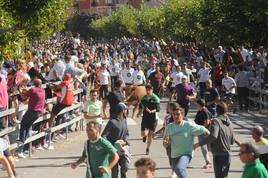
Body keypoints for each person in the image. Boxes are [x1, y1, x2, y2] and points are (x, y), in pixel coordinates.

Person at [163, 103, 210, 178]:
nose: (175, 116)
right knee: (179, 171)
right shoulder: (169, 127)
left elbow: (202, 128)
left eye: (178, 114)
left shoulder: (188, 125)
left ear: (182, 115)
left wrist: (209, 134)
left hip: (186, 154)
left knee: (179, 169)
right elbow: (165, 144)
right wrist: (166, 143)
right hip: (174, 155)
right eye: (174, 114)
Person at [193, 101, 235, 178]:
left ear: (216, 111)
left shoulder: (216, 121)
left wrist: (199, 144)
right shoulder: (230, 123)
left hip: (218, 154)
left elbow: (213, 136)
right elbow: (232, 141)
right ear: (226, 110)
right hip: (228, 154)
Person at [17, 79, 45, 158]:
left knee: (23, 124)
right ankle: (24, 144)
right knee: (28, 126)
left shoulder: (33, 89)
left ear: (33, 84)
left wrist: (20, 90)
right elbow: (31, 93)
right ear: (40, 84)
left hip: (32, 110)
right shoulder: (42, 90)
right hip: (39, 112)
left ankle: (22, 140)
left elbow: (24, 97)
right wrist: (26, 90)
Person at [102, 103, 130, 178]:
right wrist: (110, 146)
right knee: (114, 172)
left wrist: (125, 141)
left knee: (125, 166)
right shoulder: (112, 122)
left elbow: (127, 133)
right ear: (121, 111)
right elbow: (103, 135)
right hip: (113, 150)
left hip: (123, 149)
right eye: (125, 109)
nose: (126, 111)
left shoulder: (124, 120)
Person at [140, 84, 160, 155]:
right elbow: (141, 105)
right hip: (145, 117)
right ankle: (144, 136)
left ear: (152, 90)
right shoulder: (144, 98)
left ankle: (147, 148)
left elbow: (158, 109)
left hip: (153, 118)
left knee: (150, 135)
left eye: (149, 90)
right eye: (147, 90)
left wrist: (151, 111)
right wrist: (139, 112)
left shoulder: (155, 98)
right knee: (143, 134)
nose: (148, 91)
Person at [194, 99, 212, 169]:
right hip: (201, 131)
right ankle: (208, 161)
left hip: (204, 132)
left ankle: (208, 162)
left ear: (200, 105)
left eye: (197, 104)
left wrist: (201, 129)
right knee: (204, 147)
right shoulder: (200, 111)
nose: (196, 106)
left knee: (204, 146)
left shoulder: (205, 111)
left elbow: (207, 122)